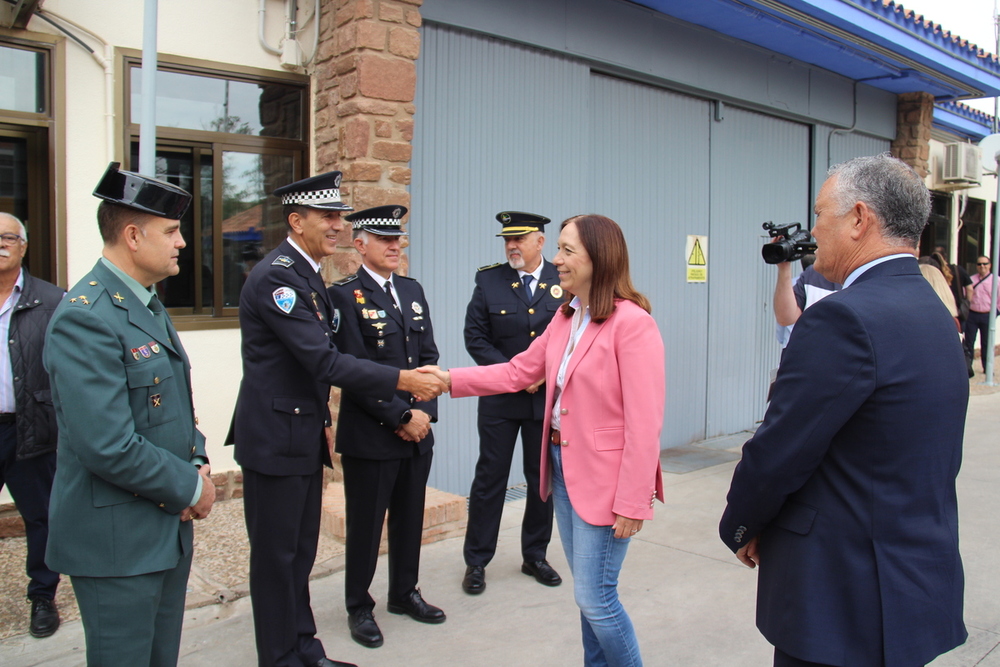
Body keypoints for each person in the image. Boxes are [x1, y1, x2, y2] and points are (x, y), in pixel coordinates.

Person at [720, 154, 968, 667]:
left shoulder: (843, 318)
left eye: (819, 215)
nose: (812, 231)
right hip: (910, 587)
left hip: (842, 599)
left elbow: (781, 449)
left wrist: (742, 523)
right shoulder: (934, 311)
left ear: (859, 219)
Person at [426, 214, 665, 667]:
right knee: (586, 594)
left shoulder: (632, 325)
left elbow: (645, 422)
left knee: (596, 598)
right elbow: (519, 371)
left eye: (567, 251)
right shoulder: (567, 316)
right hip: (563, 465)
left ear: (600, 258)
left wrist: (634, 500)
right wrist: (447, 379)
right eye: (557, 248)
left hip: (607, 479)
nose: (556, 259)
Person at [230, 174, 446, 667]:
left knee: (298, 555)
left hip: (301, 432)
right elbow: (326, 362)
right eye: (327, 216)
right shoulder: (278, 277)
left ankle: (303, 648)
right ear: (296, 220)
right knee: (277, 560)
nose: (337, 225)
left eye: (338, 216)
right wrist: (405, 383)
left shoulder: (306, 275)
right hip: (275, 438)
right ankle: (282, 657)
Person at [43, 162, 216, 666]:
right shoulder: (86, 316)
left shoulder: (144, 303)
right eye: (171, 231)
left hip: (161, 532)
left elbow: (174, 407)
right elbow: (106, 445)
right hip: (118, 545)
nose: (182, 242)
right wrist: (191, 487)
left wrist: (198, 459)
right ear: (133, 236)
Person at [327, 205, 445, 649]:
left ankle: (404, 593)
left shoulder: (412, 290)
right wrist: (400, 416)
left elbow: (428, 357)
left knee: (410, 517)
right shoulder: (343, 296)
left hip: (417, 431)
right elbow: (351, 370)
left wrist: (424, 416)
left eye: (398, 239)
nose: (396, 246)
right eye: (384, 239)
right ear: (360, 245)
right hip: (373, 433)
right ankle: (359, 605)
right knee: (366, 523)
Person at [461, 211, 563, 596]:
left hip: (544, 400)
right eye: (507, 240)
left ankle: (535, 555)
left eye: (520, 240)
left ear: (540, 241)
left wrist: (544, 375)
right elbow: (476, 337)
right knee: (490, 479)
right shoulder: (489, 280)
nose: (511, 247)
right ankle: (476, 561)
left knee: (542, 482)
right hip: (501, 400)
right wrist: (516, 375)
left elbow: (569, 338)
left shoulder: (561, 279)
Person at [0, 212, 64, 638]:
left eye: (8, 236)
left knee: (41, 517)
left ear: (24, 246)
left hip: (30, 425)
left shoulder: (52, 300)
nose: (0, 243)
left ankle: (43, 595)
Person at [773, 254, 840, 347]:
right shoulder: (810, 276)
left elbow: (781, 335)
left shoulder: (862, 280)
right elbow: (785, 319)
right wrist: (784, 268)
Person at [965, 255, 995, 373]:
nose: (982, 266)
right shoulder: (971, 280)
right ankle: (968, 368)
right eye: (979, 264)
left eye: (985, 264)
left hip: (987, 315)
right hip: (972, 314)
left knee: (987, 343)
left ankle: (987, 369)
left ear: (989, 265)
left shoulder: (996, 281)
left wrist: (995, 312)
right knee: (969, 342)